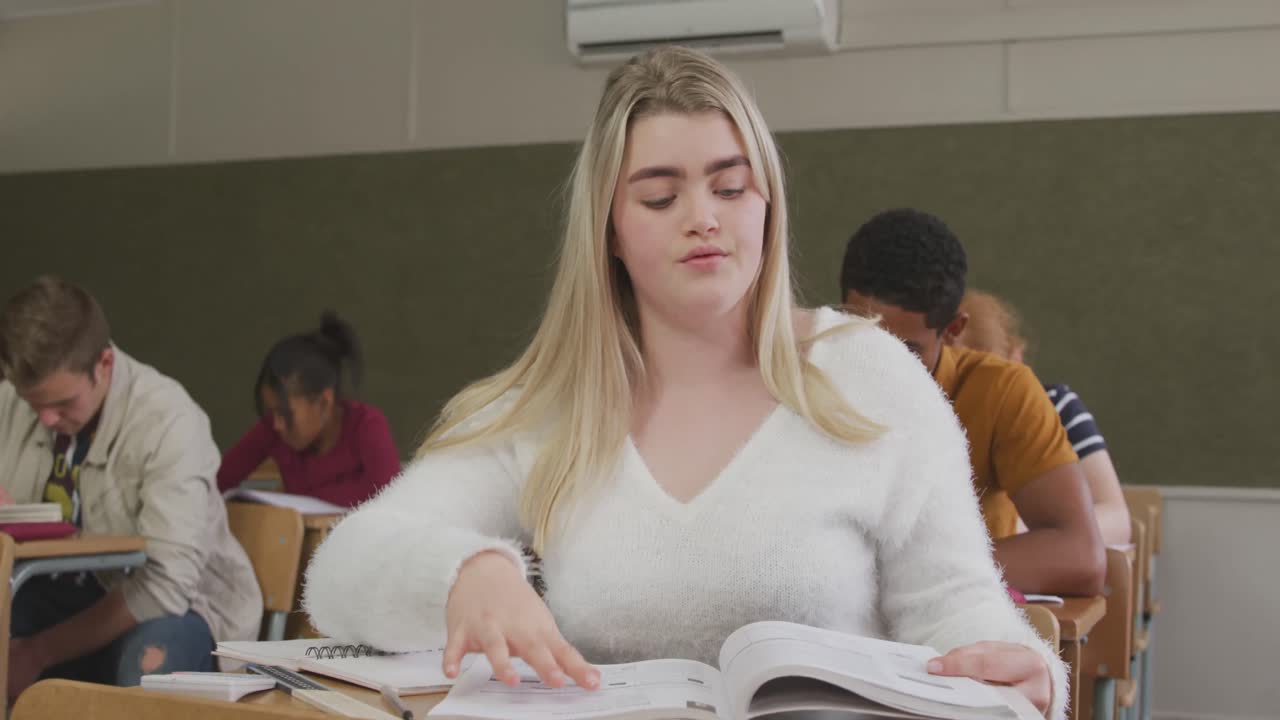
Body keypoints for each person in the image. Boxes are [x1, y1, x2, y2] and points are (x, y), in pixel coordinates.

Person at [304, 47, 1067, 718]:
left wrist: (1017, 668)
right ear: (608, 227)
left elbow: (957, 603)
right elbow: (342, 570)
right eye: (661, 197)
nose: (703, 219)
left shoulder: (868, 373)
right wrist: (465, 574)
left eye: (731, 189)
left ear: (767, 204)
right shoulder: (551, 403)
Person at [0, 276, 262, 701]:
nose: (46, 419)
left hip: (174, 609)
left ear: (104, 364)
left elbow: (165, 585)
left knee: (151, 663)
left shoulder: (169, 421)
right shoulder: (9, 403)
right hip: (55, 595)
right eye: (34, 404)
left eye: (63, 404)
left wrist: (36, 653)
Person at [841, 208, 1106, 598]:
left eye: (906, 350)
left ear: (953, 330)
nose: (879, 365)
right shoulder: (802, 380)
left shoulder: (1001, 391)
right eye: (862, 337)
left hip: (955, 619)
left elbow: (1080, 556)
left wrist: (899, 575)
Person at [956, 289, 1130, 545]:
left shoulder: (1056, 404)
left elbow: (1116, 517)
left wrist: (1029, 531)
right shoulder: (936, 409)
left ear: (1015, 358)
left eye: (989, 374)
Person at [216, 312, 400, 508]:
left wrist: (311, 498)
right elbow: (219, 480)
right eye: (272, 412)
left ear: (324, 402)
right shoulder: (273, 429)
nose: (277, 424)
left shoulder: (366, 425)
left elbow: (390, 495)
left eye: (285, 413)